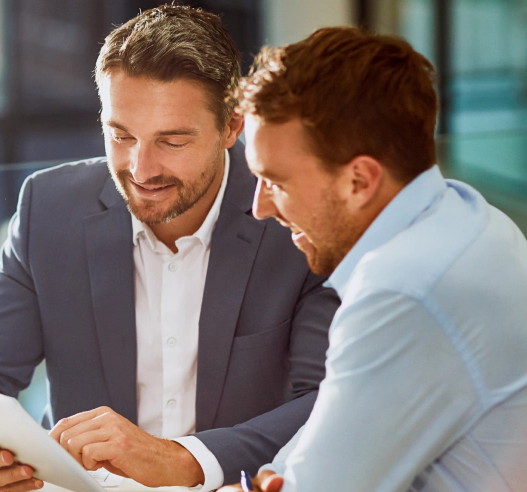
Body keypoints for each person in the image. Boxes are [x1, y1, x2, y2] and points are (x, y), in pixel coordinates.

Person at [0, 6, 340, 492]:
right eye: (120, 136)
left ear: (232, 127)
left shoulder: (294, 219)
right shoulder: (49, 208)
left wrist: (185, 460)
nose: (141, 170)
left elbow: (329, 402)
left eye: (172, 141)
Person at [219, 27, 527, 491]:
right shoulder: (470, 216)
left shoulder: (404, 291)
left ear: (360, 180)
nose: (260, 207)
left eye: (276, 182)